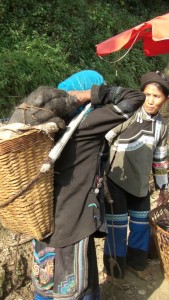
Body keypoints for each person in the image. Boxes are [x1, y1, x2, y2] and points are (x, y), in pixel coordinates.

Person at [31, 69, 146, 300]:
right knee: (81, 287)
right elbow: (135, 98)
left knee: (46, 282)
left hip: (42, 219)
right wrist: (88, 95)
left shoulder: (44, 127)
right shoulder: (87, 124)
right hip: (75, 223)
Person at [103, 71, 169, 285]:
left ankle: (137, 263)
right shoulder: (127, 115)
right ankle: (115, 270)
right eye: (147, 94)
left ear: (165, 99)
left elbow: (160, 157)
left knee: (141, 226)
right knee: (116, 228)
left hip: (141, 184)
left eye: (156, 96)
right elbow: (104, 139)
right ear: (141, 94)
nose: (150, 100)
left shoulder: (162, 126)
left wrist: (163, 188)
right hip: (115, 181)